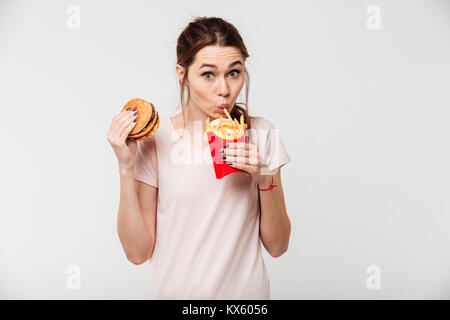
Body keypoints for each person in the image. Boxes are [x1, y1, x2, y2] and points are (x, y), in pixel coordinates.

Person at [107, 16, 291, 299]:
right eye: (208, 74)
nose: (224, 90)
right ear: (182, 73)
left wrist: (264, 178)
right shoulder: (158, 139)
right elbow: (137, 252)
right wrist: (125, 166)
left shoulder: (260, 133)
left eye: (233, 72)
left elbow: (278, 246)